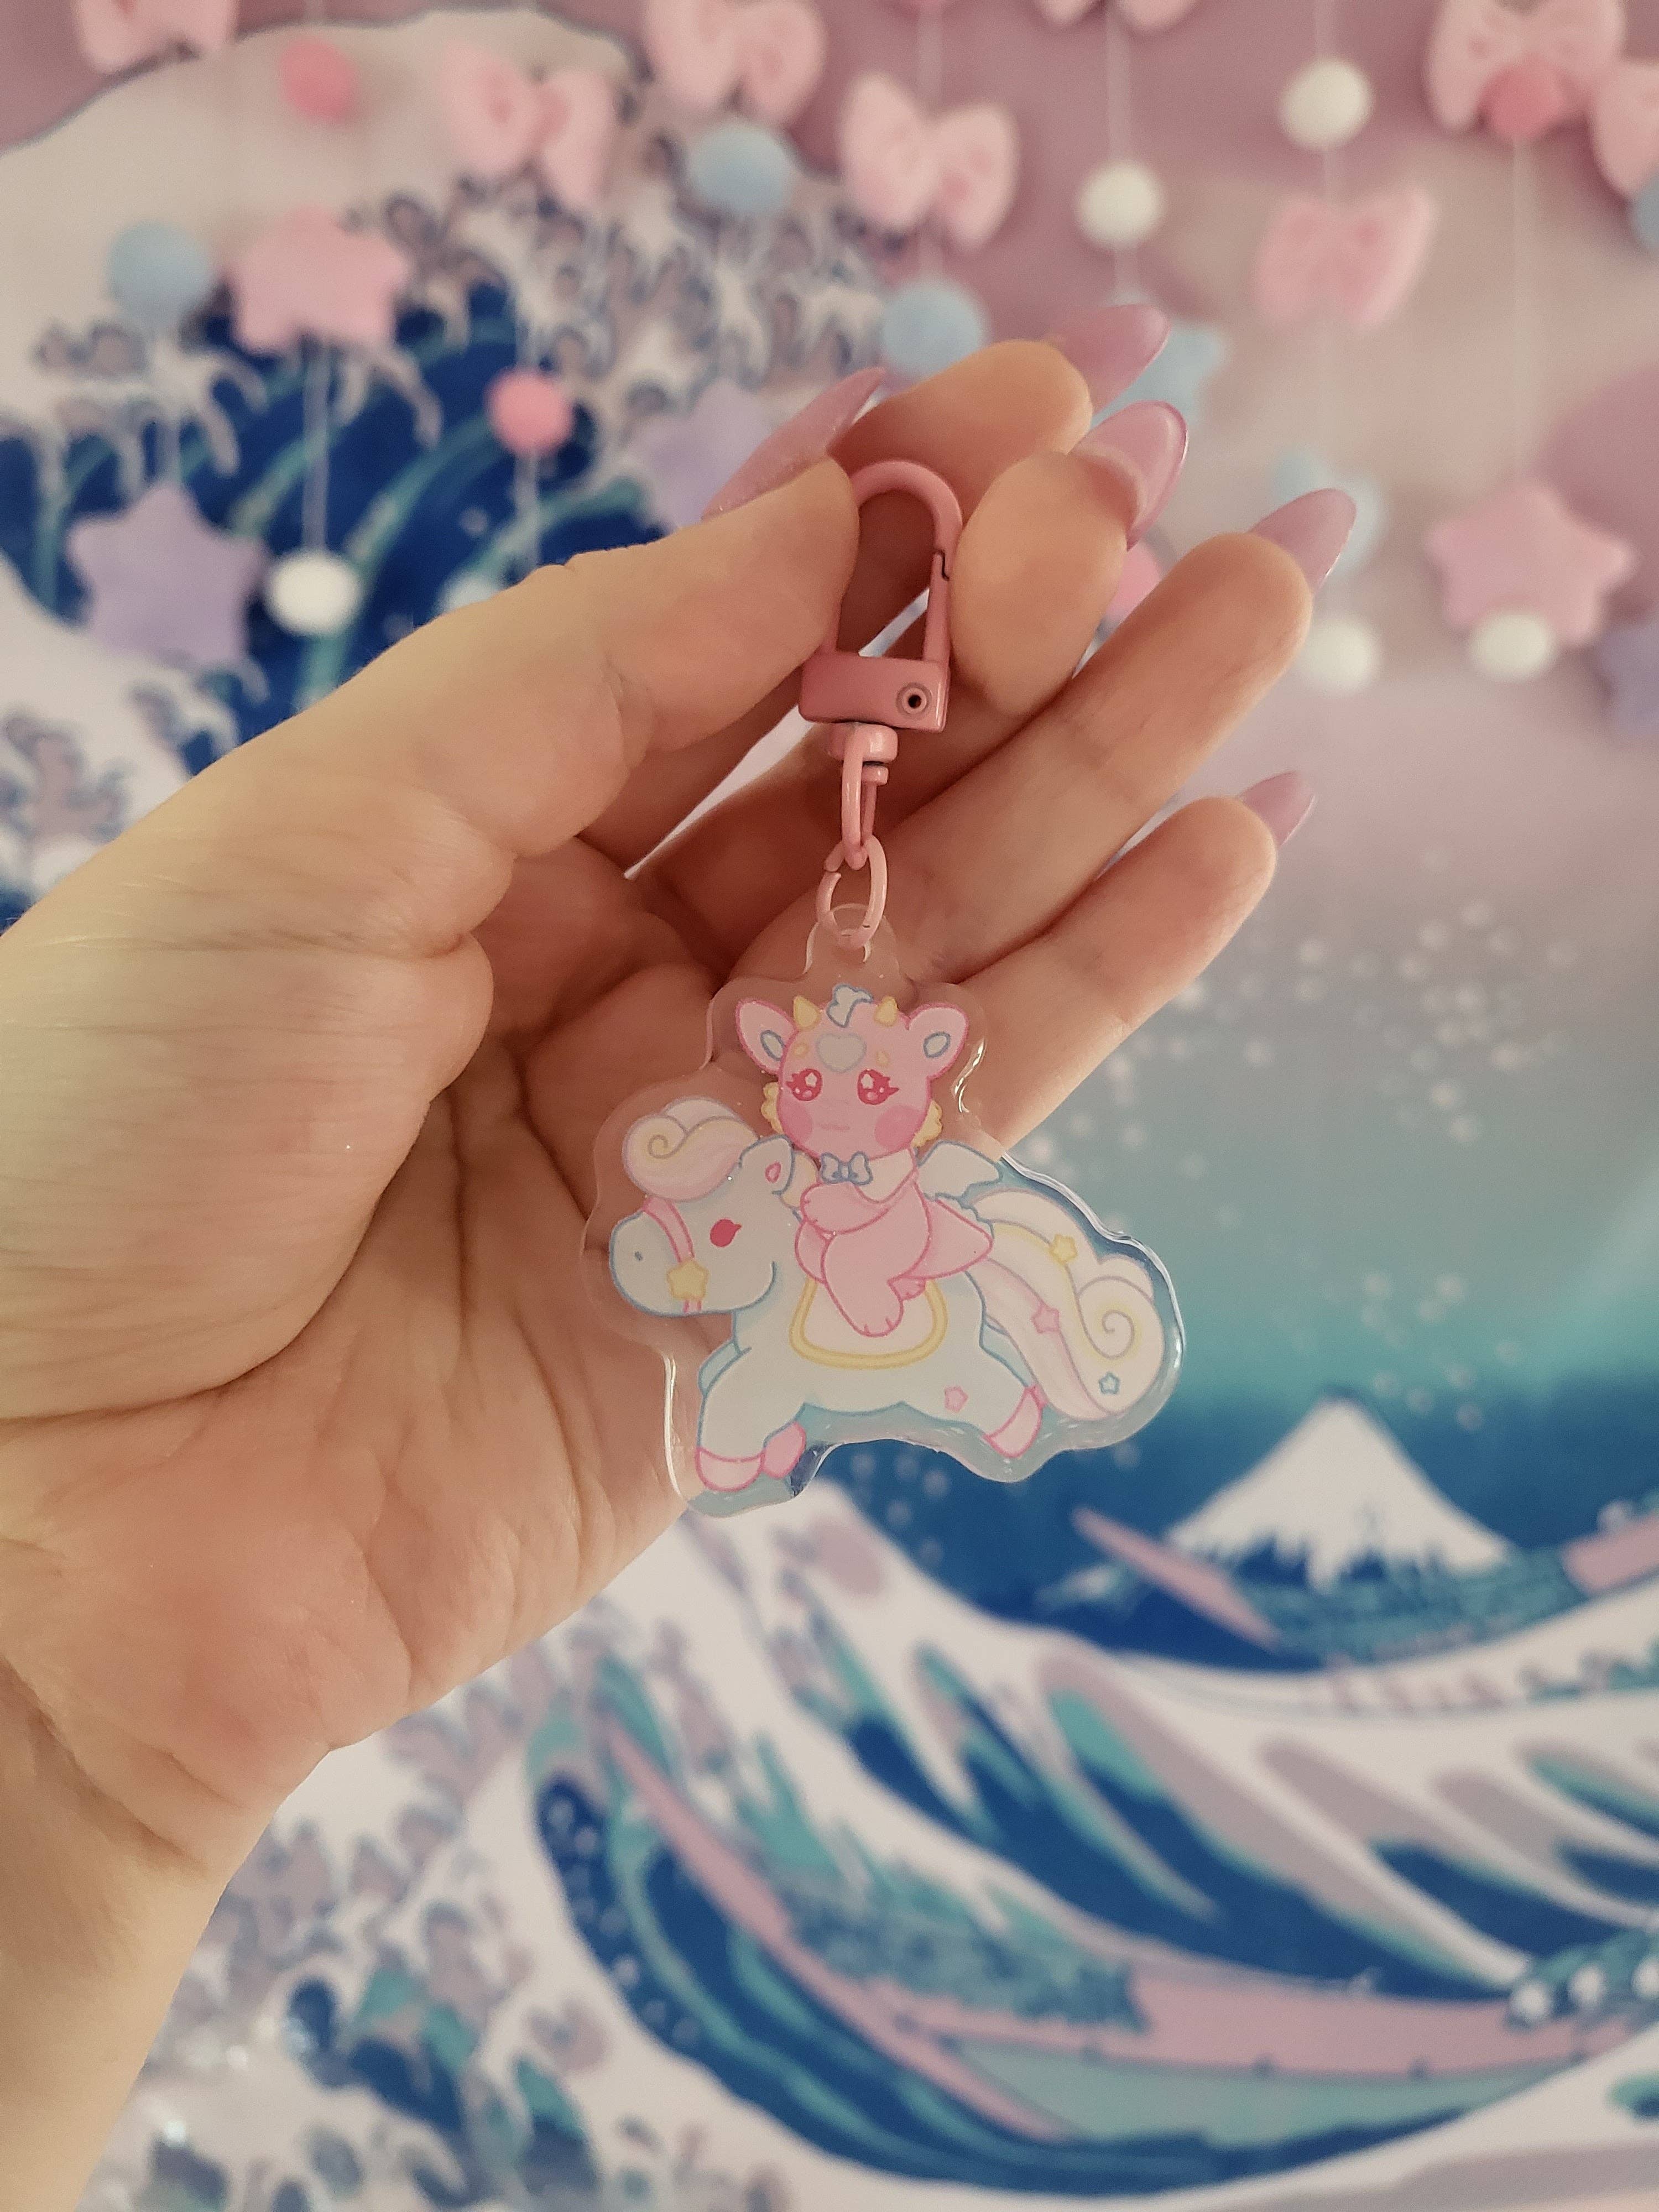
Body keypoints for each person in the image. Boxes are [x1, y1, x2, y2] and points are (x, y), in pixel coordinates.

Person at [0, 332, 1347, 2207]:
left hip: (880, 1301)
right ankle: (827, 1389)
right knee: (765, 1343)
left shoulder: (903, 1166)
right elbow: (718, 1224)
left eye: (876, 1085)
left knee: (891, 1324)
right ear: (810, 1068)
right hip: (775, 1310)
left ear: (905, 1074)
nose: (856, 1097)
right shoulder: (748, 1148)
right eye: (837, 1084)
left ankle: (952, 1375)